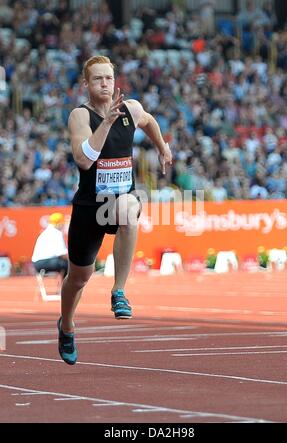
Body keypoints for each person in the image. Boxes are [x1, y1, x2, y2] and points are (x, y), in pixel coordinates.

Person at [57, 55, 172, 365]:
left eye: (109, 78)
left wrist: (162, 147)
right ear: (86, 85)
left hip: (120, 200)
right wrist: (106, 123)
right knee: (79, 277)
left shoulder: (130, 108)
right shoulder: (80, 116)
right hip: (90, 206)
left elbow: (148, 120)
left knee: (130, 208)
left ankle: (118, 291)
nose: (105, 83)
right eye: (98, 79)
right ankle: (66, 324)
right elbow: (84, 160)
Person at [32, 212, 68, 278]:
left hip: (37, 264)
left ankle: (65, 285)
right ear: (59, 223)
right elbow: (61, 253)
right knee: (69, 265)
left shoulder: (46, 232)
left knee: (66, 264)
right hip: (46, 262)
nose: (63, 225)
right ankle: (67, 286)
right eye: (63, 223)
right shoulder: (56, 233)